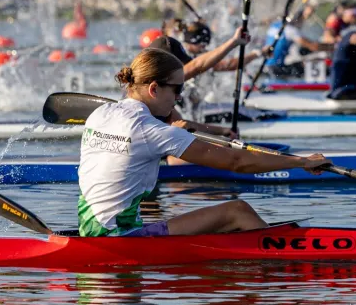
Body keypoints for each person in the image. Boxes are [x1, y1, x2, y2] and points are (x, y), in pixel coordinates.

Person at [76, 48, 330, 237]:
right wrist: (302, 161)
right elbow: (237, 161)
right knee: (237, 211)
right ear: (154, 89)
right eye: (177, 90)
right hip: (121, 238)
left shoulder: (99, 114)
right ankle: (279, 263)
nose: (178, 98)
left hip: (90, 230)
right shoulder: (154, 131)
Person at [148, 21, 254, 80]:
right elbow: (196, 65)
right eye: (202, 45)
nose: (204, 48)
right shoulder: (166, 79)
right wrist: (257, 53)